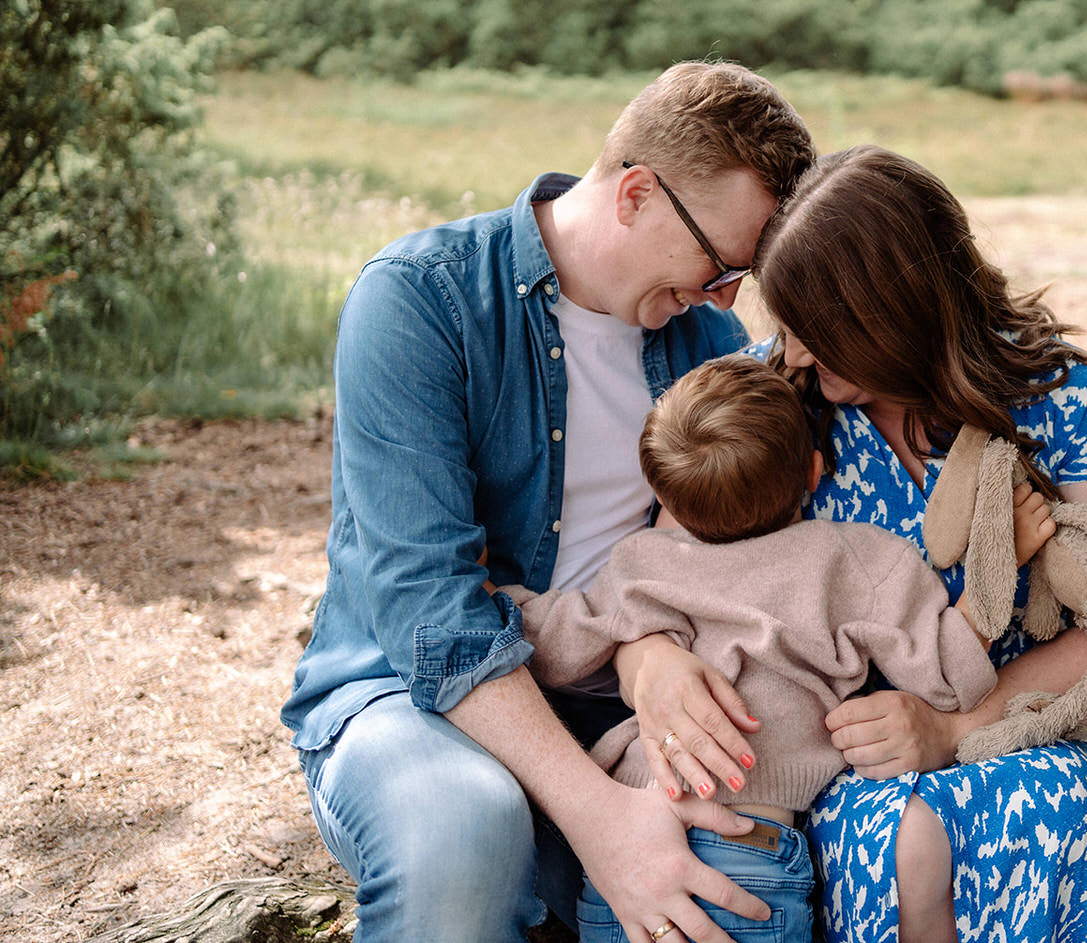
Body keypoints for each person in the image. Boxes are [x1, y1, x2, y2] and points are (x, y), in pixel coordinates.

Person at [279, 62, 817, 943]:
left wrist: (645, 648)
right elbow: (427, 610)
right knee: (464, 830)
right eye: (720, 265)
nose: (724, 298)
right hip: (410, 697)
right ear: (637, 193)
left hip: (612, 703)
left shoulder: (707, 343)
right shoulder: (421, 299)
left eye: (740, 277)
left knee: (731, 868)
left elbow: (698, 556)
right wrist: (600, 818)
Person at [613, 145, 1087, 943]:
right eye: (785, 326)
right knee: (903, 837)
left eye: (814, 331)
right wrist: (650, 659)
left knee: (1036, 804)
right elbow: (660, 581)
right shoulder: (770, 398)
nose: (792, 351)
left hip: (1019, 729)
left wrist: (951, 730)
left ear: (888, 315)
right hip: (843, 752)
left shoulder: (1059, 397)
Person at [498, 354, 1058, 943]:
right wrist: (1000, 559)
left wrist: (489, 590)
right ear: (815, 474)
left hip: (630, 857)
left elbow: (552, 642)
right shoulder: (852, 561)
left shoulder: (641, 566)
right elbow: (948, 674)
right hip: (751, 862)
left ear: (664, 496)